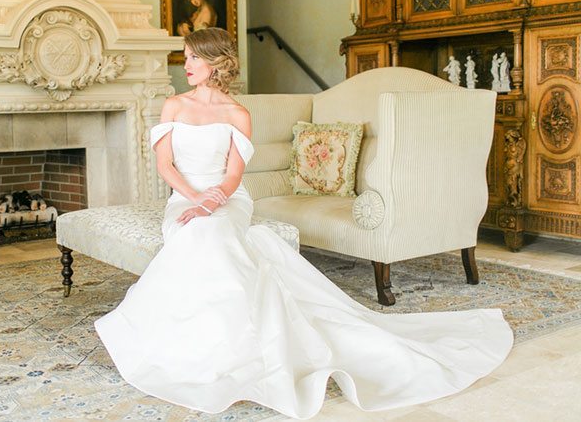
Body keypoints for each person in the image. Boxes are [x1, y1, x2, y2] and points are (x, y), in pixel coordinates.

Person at [95, 27, 513, 419]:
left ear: (214, 62)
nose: (184, 65)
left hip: (227, 199)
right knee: (198, 234)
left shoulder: (238, 114)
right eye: (184, 58)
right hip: (184, 198)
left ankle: (238, 347)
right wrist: (194, 200)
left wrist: (213, 202)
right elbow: (165, 165)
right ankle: (203, 345)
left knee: (216, 230)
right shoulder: (174, 105)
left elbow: (233, 175)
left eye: (191, 58)